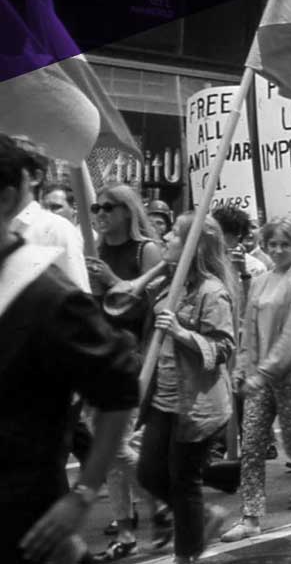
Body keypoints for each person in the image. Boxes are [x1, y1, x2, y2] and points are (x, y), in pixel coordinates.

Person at [0, 134, 139, 564]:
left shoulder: (48, 297)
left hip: (23, 522)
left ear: (5, 198)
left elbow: (117, 390)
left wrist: (82, 493)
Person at [223, 219, 291, 542]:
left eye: (285, 244)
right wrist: (243, 367)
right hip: (261, 378)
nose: (278, 250)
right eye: (273, 244)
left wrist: (263, 374)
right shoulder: (261, 280)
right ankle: (250, 517)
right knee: (253, 445)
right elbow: (249, 328)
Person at [137, 213, 236, 563]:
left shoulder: (213, 291)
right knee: (148, 472)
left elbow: (224, 346)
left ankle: (187, 554)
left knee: (184, 480)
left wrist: (182, 333)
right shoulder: (170, 283)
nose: (165, 240)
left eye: (175, 237)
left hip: (196, 404)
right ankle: (203, 518)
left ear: (193, 245)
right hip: (163, 399)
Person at [85, 183, 163, 559]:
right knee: (109, 451)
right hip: (97, 359)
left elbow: (156, 304)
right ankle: (126, 533)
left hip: (134, 357)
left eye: (108, 208)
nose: (99, 214)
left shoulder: (145, 250)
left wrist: (112, 282)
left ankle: (166, 505)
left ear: (128, 212)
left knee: (117, 447)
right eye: (95, 207)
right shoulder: (93, 250)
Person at [11, 139, 88, 290]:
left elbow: (78, 296)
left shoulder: (57, 229)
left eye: (11, 171)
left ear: (35, 177)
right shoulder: (5, 225)